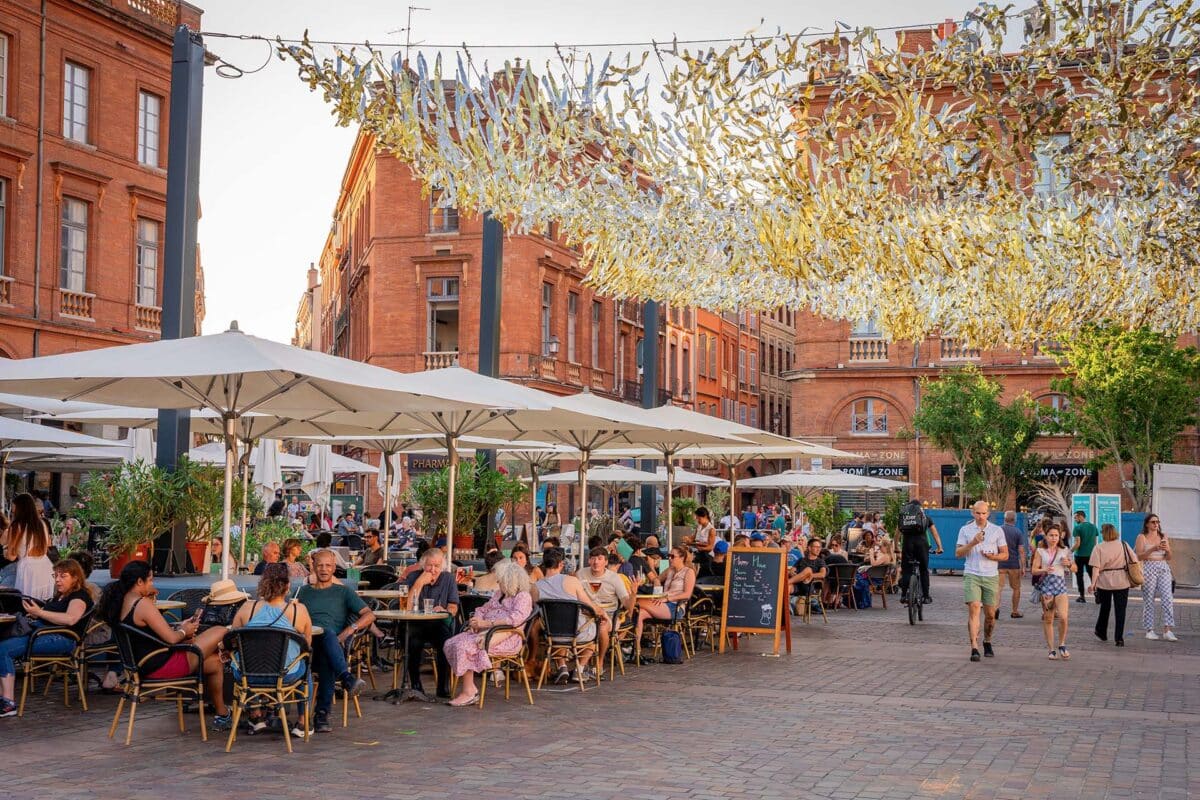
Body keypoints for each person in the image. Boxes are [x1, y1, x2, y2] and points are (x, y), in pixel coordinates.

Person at [97, 561, 233, 728]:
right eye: (150, 580)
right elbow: (171, 639)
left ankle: (223, 714)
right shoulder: (142, 604)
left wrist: (182, 628)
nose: (152, 584)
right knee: (221, 631)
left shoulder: (122, 602)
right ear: (140, 582)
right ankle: (230, 659)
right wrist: (185, 631)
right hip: (162, 664)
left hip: (142, 665)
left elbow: (153, 634)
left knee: (214, 662)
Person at [0, 558, 93, 717]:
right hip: (44, 634)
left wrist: (40, 613)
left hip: (62, 639)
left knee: (3, 649)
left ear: (76, 577)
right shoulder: (60, 596)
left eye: (63, 576)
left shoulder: (79, 596)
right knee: (2, 643)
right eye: (55, 576)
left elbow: (71, 619)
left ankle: (8, 702)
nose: (57, 580)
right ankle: (3, 698)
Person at [229, 562, 314, 736]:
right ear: (288, 586)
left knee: (247, 659)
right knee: (306, 669)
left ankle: (256, 716)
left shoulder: (247, 608)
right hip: (285, 675)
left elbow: (232, 640)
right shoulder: (299, 610)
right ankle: (303, 723)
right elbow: (307, 647)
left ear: (262, 585)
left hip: (248, 676)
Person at [296, 550, 373, 732]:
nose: (324, 569)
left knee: (328, 642)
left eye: (328, 565)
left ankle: (322, 713)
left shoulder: (343, 592)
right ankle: (345, 680)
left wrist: (348, 631)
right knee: (327, 642)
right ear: (313, 567)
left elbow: (369, 615)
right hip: (305, 645)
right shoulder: (303, 592)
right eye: (320, 565)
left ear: (334, 568)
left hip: (332, 644)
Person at [443, 559, 534, 707]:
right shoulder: (499, 594)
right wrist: (477, 620)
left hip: (506, 636)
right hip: (486, 631)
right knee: (451, 642)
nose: (498, 583)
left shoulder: (523, 596)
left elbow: (515, 619)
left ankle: (469, 691)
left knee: (464, 646)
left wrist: (487, 624)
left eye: (501, 580)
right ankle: (470, 687)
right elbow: (483, 608)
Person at [403, 547, 459, 700]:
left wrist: (446, 609)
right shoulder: (414, 576)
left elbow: (454, 606)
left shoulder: (448, 578)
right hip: (415, 623)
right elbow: (406, 607)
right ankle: (415, 684)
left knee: (447, 641)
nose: (433, 570)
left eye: (437, 566)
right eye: (430, 565)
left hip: (437, 623)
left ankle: (443, 686)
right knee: (413, 642)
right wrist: (420, 582)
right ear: (423, 565)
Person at [956, 500, 1008, 663]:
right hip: (972, 573)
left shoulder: (997, 530)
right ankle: (974, 647)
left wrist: (993, 556)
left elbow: (1005, 555)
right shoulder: (965, 530)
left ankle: (987, 641)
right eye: (977, 513)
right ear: (972, 513)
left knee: (991, 615)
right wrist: (973, 542)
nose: (980, 516)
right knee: (974, 608)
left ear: (988, 514)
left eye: (983, 513)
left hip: (991, 575)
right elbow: (958, 553)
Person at [576, 546, 633, 672]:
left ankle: (599, 662)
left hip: (609, 614)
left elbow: (627, 604)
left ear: (606, 562)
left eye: (600, 558)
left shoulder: (614, 578)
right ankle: (576, 664)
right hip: (586, 613)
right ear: (589, 560)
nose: (596, 562)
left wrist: (633, 593)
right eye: (593, 558)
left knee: (601, 629)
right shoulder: (581, 574)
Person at [1031, 523, 1076, 659]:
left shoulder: (1065, 550)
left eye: (1056, 535)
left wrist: (1069, 564)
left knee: (1063, 616)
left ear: (1060, 536)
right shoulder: (1040, 551)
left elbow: (1075, 568)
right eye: (1051, 535)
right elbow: (1033, 570)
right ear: (1046, 536)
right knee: (1048, 619)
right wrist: (1044, 569)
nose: (1054, 538)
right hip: (1046, 586)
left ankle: (1062, 644)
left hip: (1060, 585)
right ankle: (1051, 649)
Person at [1089, 523, 1138, 647]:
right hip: (1122, 581)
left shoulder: (1098, 548)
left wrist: (1093, 584)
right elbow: (1135, 559)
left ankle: (1101, 632)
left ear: (1103, 533)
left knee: (1105, 608)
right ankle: (1119, 638)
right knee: (1120, 610)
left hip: (1104, 582)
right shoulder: (1124, 545)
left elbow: (1095, 568)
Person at [635, 546, 695, 643]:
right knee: (639, 613)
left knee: (637, 603)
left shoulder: (688, 572)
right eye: (668, 556)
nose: (669, 559)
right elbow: (657, 579)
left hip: (675, 607)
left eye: (672, 556)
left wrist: (667, 598)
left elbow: (687, 594)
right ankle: (636, 650)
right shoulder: (670, 570)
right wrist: (658, 588)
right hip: (662, 602)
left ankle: (618, 628)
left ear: (682, 558)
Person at [3, 493, 54, 601]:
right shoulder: (42, 524)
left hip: (28, 569)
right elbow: (47, 546)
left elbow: (11, 556)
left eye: (13, 506)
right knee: (42, 604)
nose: (12, 509)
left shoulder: (16, 526)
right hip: (45, 566)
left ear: (19, 508)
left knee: (27, 604)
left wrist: (4, 551)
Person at [1135, 514, 1176, 642]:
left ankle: (1168, 630)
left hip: (1163, 568)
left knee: (1168, 598)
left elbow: (1169, 557)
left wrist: (1167, 550)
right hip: (1149, 568)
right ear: (1147, 524)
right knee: (1148, 599)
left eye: (1157, 522)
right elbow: (1139, 556)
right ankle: (1149, 630)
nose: (1156, 524)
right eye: (1153, 522)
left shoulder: (1163, 536)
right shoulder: (1142, 537)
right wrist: (1154, 548)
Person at [898, 498, 941, 606]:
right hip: (922, 545)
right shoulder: (926, 517)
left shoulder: (905, 518)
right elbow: (935, 533)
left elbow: (896, 535)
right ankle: (926, 596)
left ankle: (903, 595)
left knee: (906, 570)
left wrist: (895, 547)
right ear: (920, 507)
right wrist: (940, 547)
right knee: (923, 570)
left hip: (908, 545)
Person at [997, 510, 1029, 619]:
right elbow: (1021, 551)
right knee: (1016, 588)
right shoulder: (1018, 532)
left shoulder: (998, 530)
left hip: (999, 563)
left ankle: (996, 607)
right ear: (1014, 520)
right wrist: (1023, 566)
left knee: (998, 588)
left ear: (1004, 519)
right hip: (1014, 564)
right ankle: (1014, 611)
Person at [1070, 511, 1100, 603]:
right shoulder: (1093, 527)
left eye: (1075, 517)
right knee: (1092, 575)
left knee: (1079, 576)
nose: (1075, 520)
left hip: (1079, 555)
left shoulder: (1077, 528)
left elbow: (1077, 543)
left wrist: (1069, 551)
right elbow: (1095, 543)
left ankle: (1082, 596)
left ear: (1080, 517)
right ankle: (1097, 595)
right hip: (1091, 555)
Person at [788, 538, 827, 605]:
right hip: (797, 585)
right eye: (816, 547)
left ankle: (786, 583)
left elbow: (823, 574)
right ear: (809, 548)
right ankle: (785, 609)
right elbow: (792, 570)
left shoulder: (820, 561)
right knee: (788, 586)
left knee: (808, 570)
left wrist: (811, 575)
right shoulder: (801, 560)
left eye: (819, 547)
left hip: (809, 586)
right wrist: (793, 573)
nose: (818, 549)